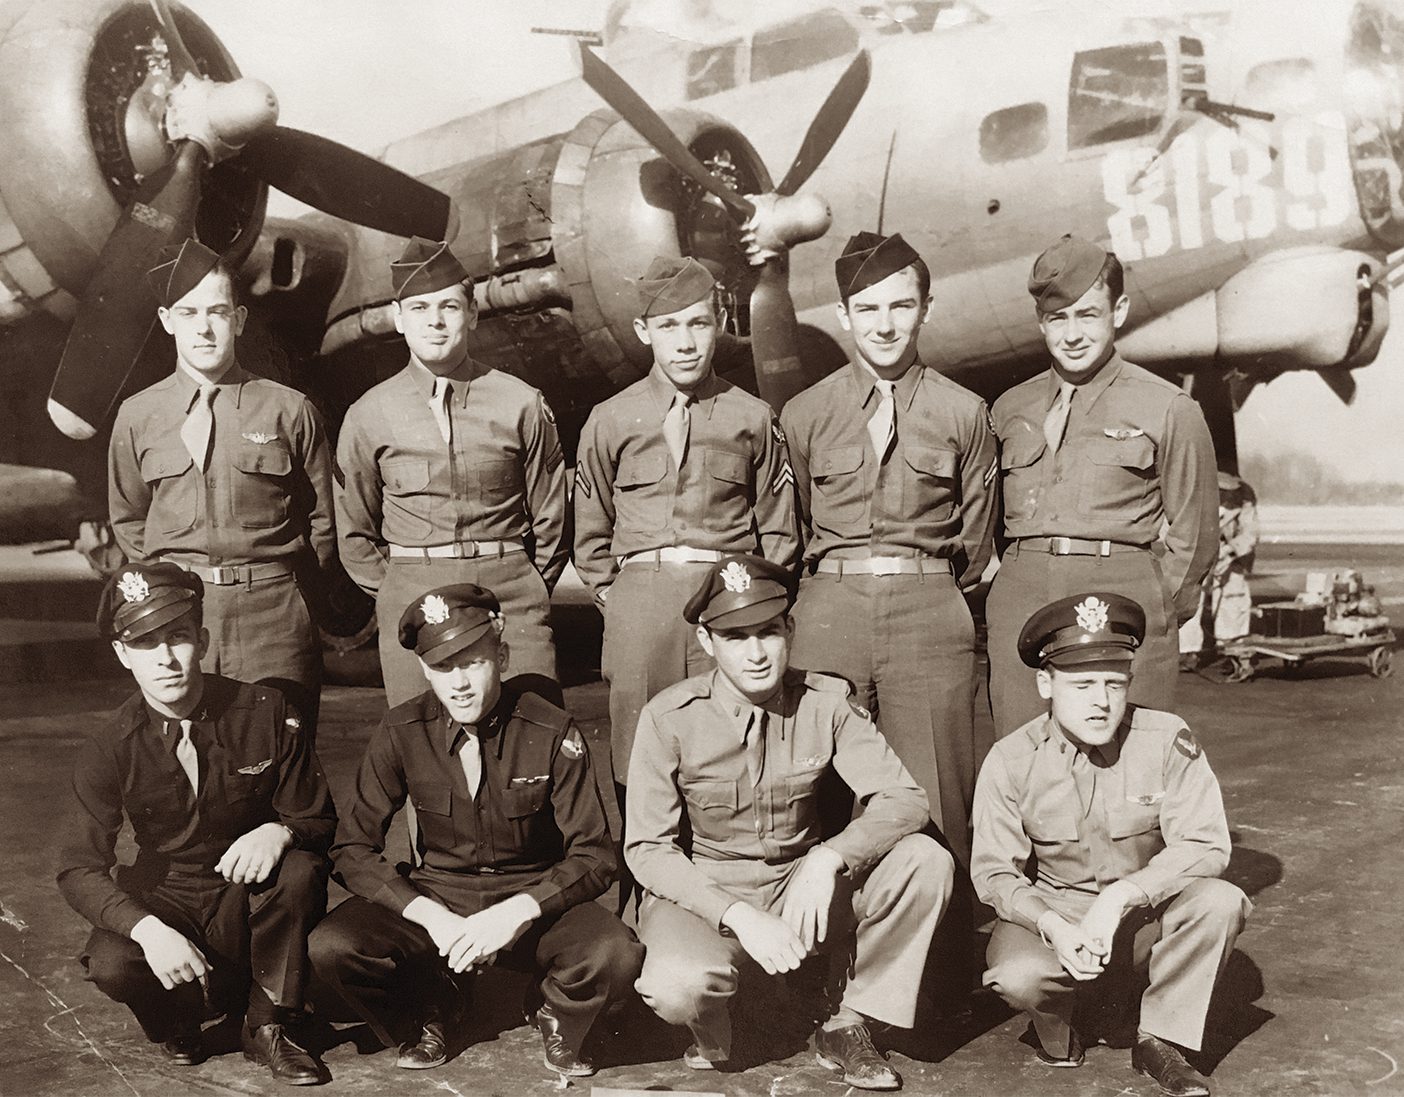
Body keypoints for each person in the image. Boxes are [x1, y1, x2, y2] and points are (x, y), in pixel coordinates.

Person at [628, 553, 953, 1090]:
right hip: (710, 888)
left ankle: (850, 1021)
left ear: (790, 629)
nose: (756, 653)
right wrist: (736, 913)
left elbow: (904, 798)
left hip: (800, 884)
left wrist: (829, 857)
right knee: (677, 985)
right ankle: (714, 1032)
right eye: (735, 637)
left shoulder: (825, 702)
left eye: (769, 632)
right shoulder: (670, 717)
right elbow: (647, 849)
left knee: (925, 861)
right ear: (707, 643)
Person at [309, 583, 642, 1077]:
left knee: (615, 953)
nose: (459, 683)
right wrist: (429, 916)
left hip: (532, 898)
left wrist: (518, 912)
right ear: (424, 670)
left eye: (473, 662)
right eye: (443, 667)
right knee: (332, 948)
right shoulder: (402, 730)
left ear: (502, 656)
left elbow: (595, 855)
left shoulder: (552, 731)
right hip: (441, 894)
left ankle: (554, 1008)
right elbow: (352, 848)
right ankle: (430, 1009)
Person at [57, 562, 336, 1084]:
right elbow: (78, 869)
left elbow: (317, 815)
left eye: (178, 636)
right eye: (144, 644)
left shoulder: (266, 711)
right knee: (112, 960)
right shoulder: (109, 746)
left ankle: (270, 1024)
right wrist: (149, 930)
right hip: (171, 896)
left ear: (202, 640)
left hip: (245, 893)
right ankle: (176, 1019)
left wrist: (280, 830)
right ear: (122, 655)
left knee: (299, 870)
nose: (165, 659)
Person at [972, 591, 1250, 1097]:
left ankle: (1162, 1039)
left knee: (1219, 900)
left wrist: (1122, 896)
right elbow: (994, 873)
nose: (1101, 701)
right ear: (1045, 684)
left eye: (1114, 684)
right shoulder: (1011, 758)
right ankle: (1058, 1030)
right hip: (1057, 917)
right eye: (1081, 685)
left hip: (1142, 916)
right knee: (1017, 975)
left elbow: (1207, 844)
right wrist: (1052, 924)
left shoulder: (1166, 738)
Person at [779, 231, 998, 869]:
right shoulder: (804, 413)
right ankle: (817, 956)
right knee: (817, 790)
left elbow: (978, 538)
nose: (885, 325)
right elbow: (790, 531)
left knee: (937, 794)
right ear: (843, 315)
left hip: (929, 612)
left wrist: (930, 590)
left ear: (925, 309)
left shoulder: (964, 413)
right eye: (868, 309)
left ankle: (942, 961)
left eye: (901, 306)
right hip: (829, 611)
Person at [573, 255, 799, 817]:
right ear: (643, 331)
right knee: (637, 760)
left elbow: (779, 530)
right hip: (641, 607)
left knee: (729, 753)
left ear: (718, 320)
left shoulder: (752, 417)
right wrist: (620, 601)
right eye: (668, 326)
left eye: (698, 323)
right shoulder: (609, 419)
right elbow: (590, 531)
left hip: (725, 602)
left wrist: (750, 612)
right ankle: (641, 898)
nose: (686, 342)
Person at [986, 234, 1218, 737]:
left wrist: (1153, 602)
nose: (1073, 334)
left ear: (1119, 311)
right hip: (1022, 595)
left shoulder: (1168, 407)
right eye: (1058, 318)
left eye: (1088, 314)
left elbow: (1195, 533)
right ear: (1041, 322)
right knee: (1023, 752)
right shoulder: (1008, 409)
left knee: (1124, 756)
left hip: (1121, 594)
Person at [108, 239, 335, 740]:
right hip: (180, 622)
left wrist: (283, 590)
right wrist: (172, 588)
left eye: (217, 311)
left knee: (282, 758)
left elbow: (322, 519)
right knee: (192, 767)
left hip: (273, 619)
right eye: (189, 313)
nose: (204, 327)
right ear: (167, 320)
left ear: (240, 318)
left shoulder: (288, 410)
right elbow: (128, 518)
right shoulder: (138, 416)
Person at [336, 237, 568, 708]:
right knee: (426, 754)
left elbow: (552, 514)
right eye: (418, 308)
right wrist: (400, 590)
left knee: (531, 735)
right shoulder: (368, 413)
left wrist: (524, 582)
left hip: (511, 598)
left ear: (474, 314)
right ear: (398, 319)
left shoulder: (520, 401)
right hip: (414, 598)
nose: (435, 321)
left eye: (449, 306)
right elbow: (354, 533)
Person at [1179, 473, 1258, 668]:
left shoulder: (1245, 494)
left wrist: (1230, 553)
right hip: (1196, 550)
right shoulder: (1192, 490)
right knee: (1190, 595)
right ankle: (1188, 651)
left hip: (1230, 552)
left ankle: (1231, 646)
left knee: (1233, 591)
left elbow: (1250, 532)